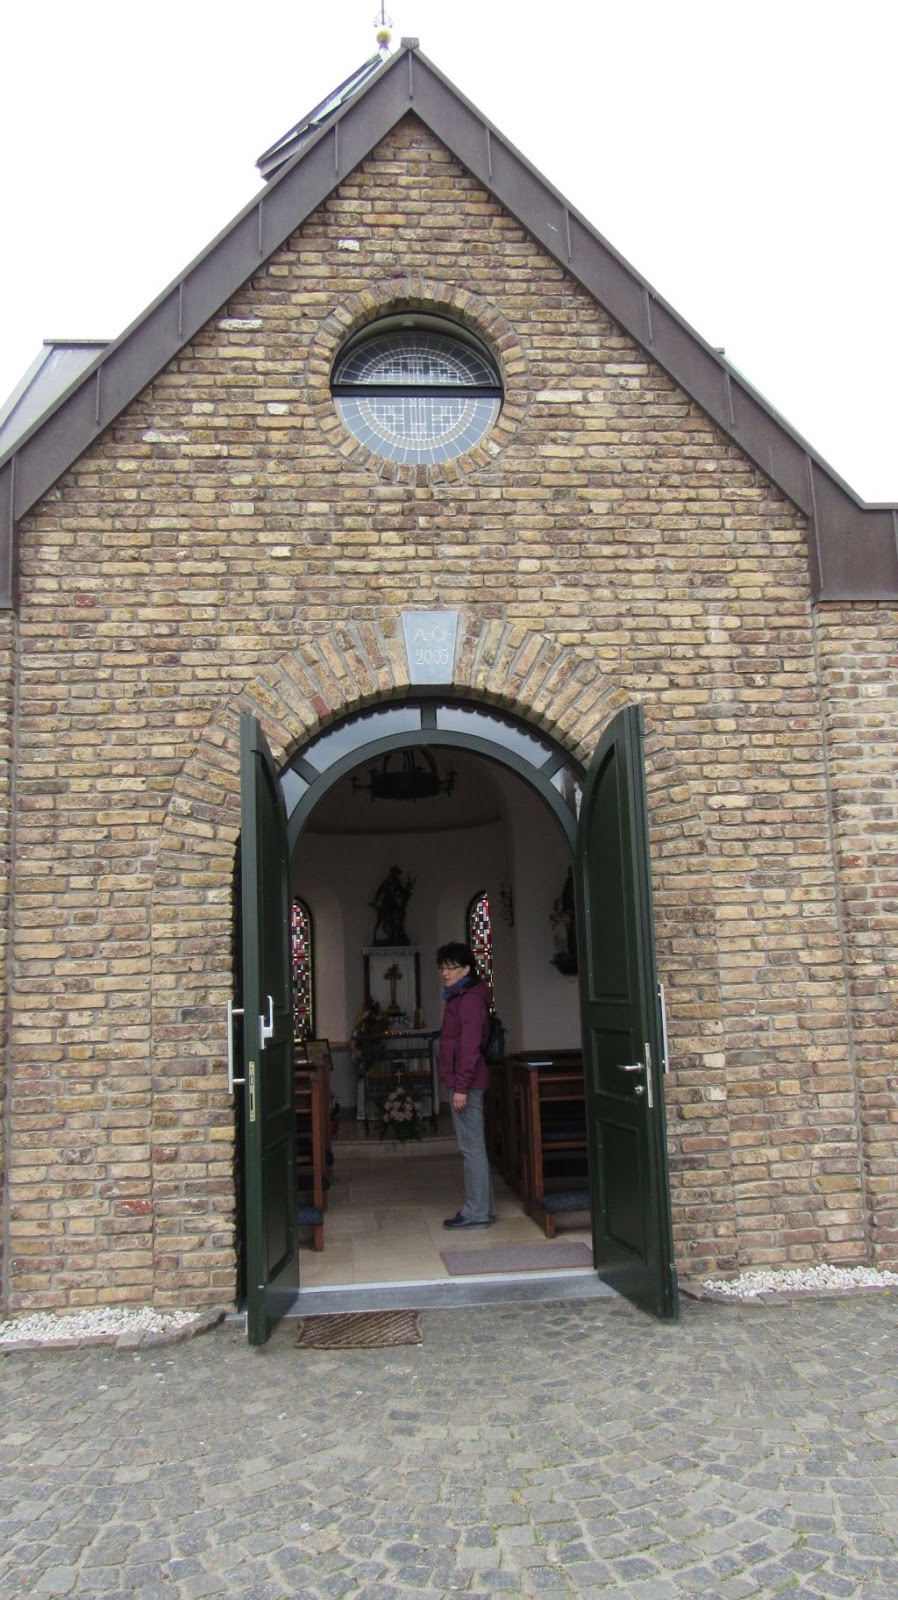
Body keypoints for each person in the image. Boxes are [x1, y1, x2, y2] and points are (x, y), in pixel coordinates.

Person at [436, 941, 495, 1229]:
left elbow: (470, 1047)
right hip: (465, 1081)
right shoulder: (459, 997)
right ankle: (484, 1208)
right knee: (474, 1147)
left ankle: (476, 1212)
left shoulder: (469, 1000)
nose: (445, 973)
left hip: (467, 1084)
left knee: (471, 1148)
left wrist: (461, 1087)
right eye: (442, 967)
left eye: (452, 967)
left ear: (467, 969)